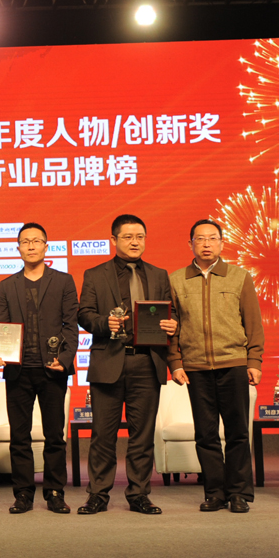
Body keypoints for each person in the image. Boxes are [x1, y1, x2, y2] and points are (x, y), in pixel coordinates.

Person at [77, 214, 175, 515]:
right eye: (128, 237)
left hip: (146, 361)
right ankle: (98, 494)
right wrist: (103, 323)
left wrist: (172, 324)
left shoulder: (159, 275)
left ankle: (139, 494)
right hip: (108, 360)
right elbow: (84, 314)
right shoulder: (95, 274)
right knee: (102, 435)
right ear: (114, 240)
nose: (135, 242)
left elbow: (171, 312)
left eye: (140, 236)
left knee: (142, 436)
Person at [167, 220, 264, 513]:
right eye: (200, 239)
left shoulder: (239, 277)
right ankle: (215, 492)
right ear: (190, 244)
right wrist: (175, 362)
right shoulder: (176, 280)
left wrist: (254, 360)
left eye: (212, 238)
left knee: (237, 433)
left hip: (233, 363)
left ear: (222, 243)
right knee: (205, 434)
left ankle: (239, 493)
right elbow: (171, 327)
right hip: (195, 368)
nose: (206, 244)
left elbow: (253, 323)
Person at [0, 222, 78, 514]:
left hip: (52, 369)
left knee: (55, 436)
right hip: (18, 370)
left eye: (36, 241)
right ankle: (23, 494)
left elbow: (71, 325)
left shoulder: (64, 281)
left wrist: (64, 359)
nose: (31, 246)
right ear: (18, 248)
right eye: (25, 241)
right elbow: (2, 326)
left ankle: (55, 492)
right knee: (20, 437)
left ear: (46, 246)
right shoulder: (7, 285)